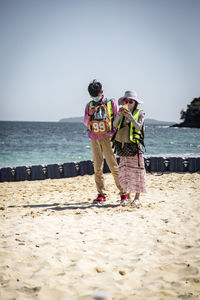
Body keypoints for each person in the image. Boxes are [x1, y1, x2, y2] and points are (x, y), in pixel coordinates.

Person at [84, 79, 127, 203]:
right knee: (97, 167)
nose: (95, 97)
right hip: (94, 138)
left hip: (108, 138)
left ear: (101, 92)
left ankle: (123, 193)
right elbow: (86, 122)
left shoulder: (111, 102)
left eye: (96, 95)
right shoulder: (89, 105)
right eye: (92, 96)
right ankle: (101, 194)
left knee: (113, 166)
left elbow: (116, 120)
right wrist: (90, 114)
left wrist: (116, 135)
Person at [112, 90, 146, 206]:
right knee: (125, 172)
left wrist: (130, 116)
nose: (128, 103)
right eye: (125, 101)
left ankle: (137, 198)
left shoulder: (140, 113)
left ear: (135, 103)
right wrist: (119, 114)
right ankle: (127, 196)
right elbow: (114, 125)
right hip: (123, 146)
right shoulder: (121, 113)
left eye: (130, 101)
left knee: (137, 172)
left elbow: (138, 127)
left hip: (135, 148)